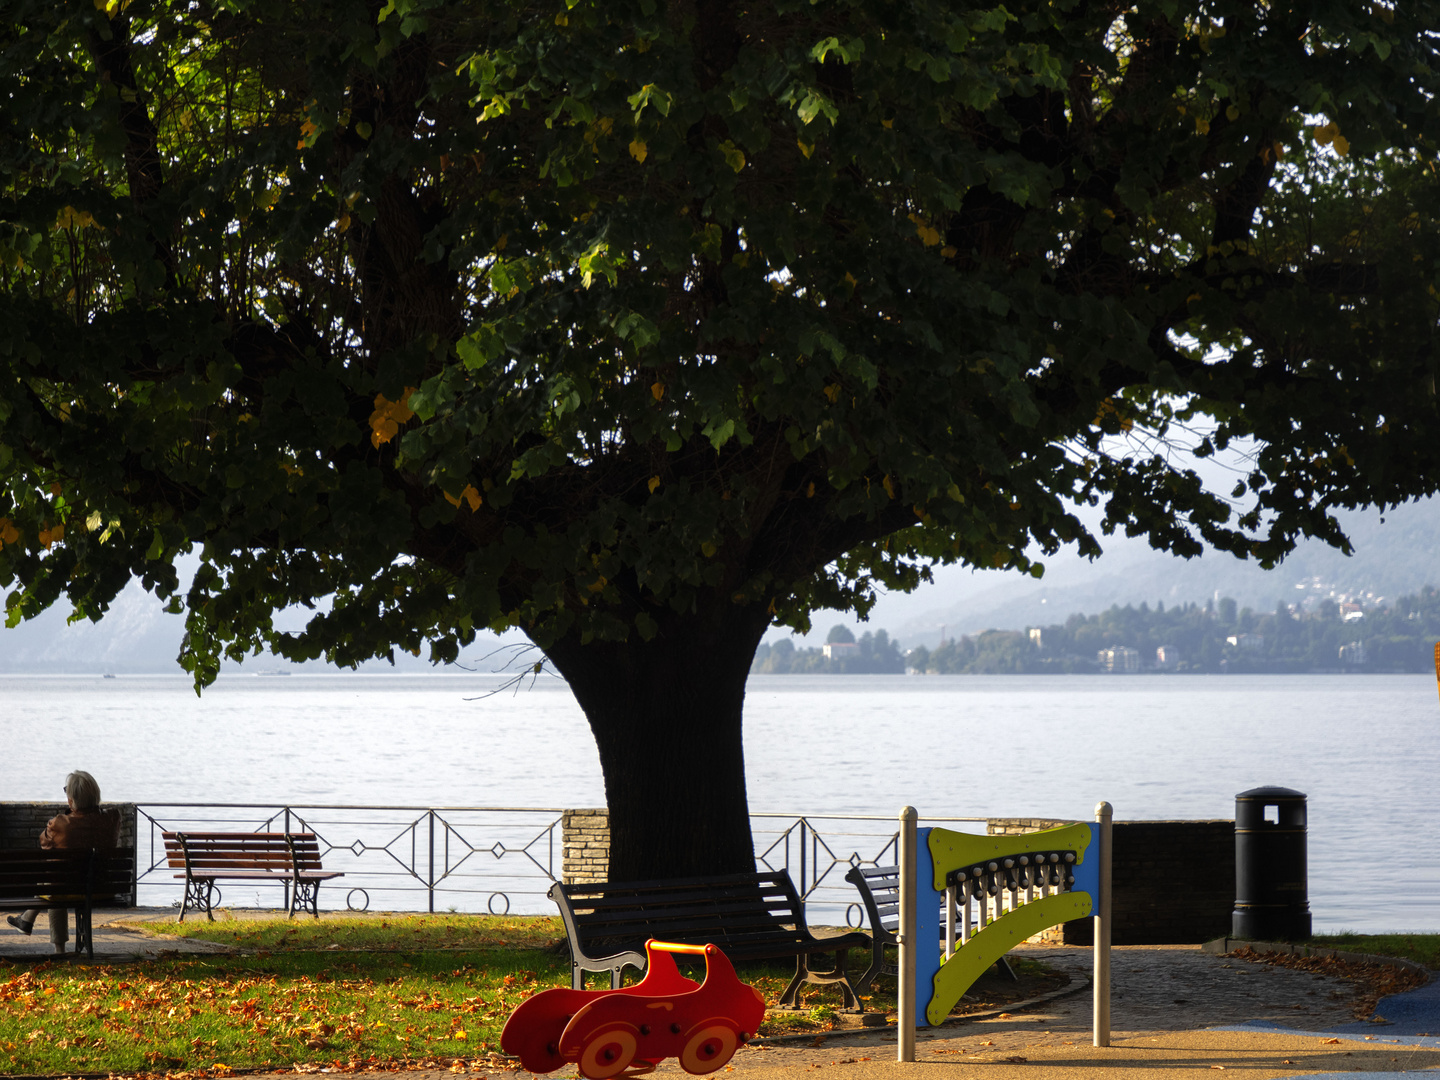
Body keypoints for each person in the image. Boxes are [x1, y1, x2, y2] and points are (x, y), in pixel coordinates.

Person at [6, 771, 121, 953]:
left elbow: (44, 843)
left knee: (55, 881)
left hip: (65, 890)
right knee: (56, 879)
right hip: (102, 890)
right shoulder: (113, 818)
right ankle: (26, 919)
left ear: (71, 800)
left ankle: (57, 947)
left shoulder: (60, 823)